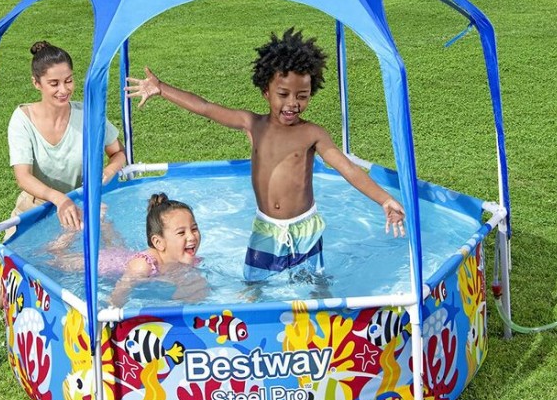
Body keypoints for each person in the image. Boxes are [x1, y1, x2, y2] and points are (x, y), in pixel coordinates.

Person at [125, 27, 405, 283]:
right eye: (283, 94)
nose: (293, 103)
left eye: (302, 96)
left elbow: (347, 168)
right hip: (266, 228)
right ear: (265, 92)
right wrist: (161, 89)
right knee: (254, 284)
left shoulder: (312, 134)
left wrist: (385, 199)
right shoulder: (253, 125)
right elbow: (205, 107)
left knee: (316, 283)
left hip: (305, 228)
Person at [0, 41, 126, 308]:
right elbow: (23, 177)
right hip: (37, 205)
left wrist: (108, 171)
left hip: (83, 205)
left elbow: (118, 153)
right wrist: (59, 199)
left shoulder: (87, 114)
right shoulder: (22, 119)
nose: (63, 90)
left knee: (118, 270)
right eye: (54, 83)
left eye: (68, 81)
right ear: (36, 83)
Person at [43, 192, 207, 307]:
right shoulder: (142, 266)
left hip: (123, 256)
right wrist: (112, 310)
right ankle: (74, 227)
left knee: (116, 246)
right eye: (181, 233)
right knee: (56, 259)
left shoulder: (184, 257)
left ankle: (103, 223)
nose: (192, 237)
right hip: (105, 263)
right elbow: (121, 291)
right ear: (158, 242)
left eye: (194, 229)